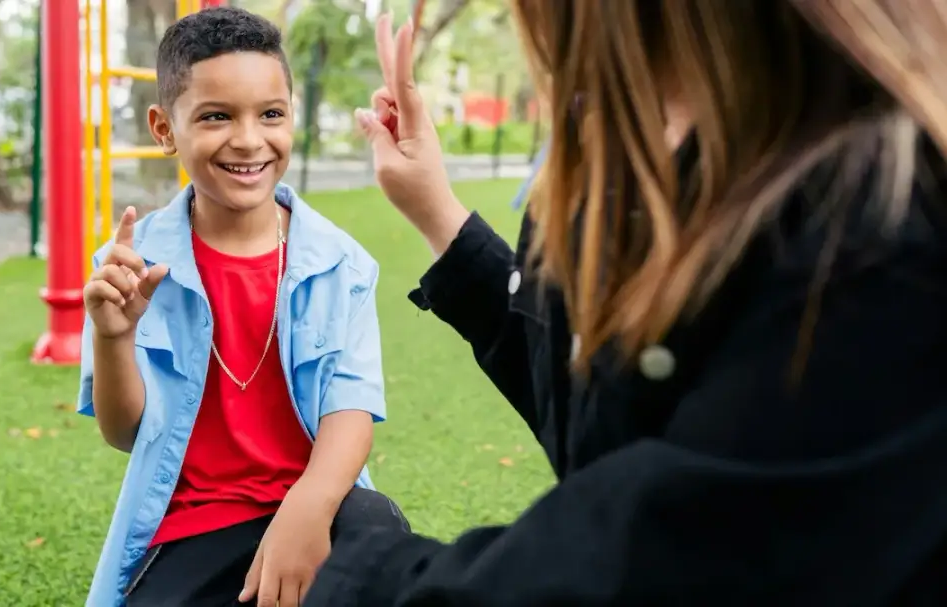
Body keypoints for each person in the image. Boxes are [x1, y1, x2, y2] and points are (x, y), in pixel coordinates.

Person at [303, 3, 947, 606]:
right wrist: (437, 211)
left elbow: (654, 563)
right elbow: (604, 420)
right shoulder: (698, 176)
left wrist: (356, 558)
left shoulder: (876, 239)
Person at [76, 7, 408, 607]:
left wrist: (304, 513)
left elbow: (351, 408)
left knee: (377, 536)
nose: (249, 140)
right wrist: (114, 338)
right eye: (215, 116)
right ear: (163, 128)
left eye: (270, 114)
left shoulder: (341, 263)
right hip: (194, 528)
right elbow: (125, 432)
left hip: (322, 505)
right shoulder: (128, 267)